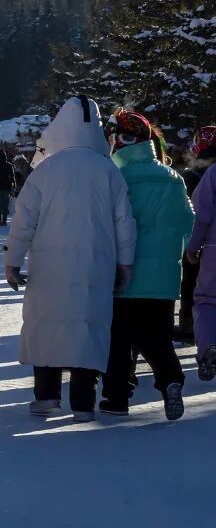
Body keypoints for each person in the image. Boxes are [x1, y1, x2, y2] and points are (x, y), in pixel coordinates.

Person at [4, 95, 136, 421]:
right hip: (96, 266)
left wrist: (12, 261)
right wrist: (125, 263)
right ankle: (83, 402)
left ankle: (46, 396)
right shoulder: (108, 171)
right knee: (88, 328)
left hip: (48, 268)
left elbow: (23, 221)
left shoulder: (45, 170)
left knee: (46, 324)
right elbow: (125, 223)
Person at [100, 109, 193, 419]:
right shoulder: (173, 178)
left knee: (119, 337)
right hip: (165, 277)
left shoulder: (117, 177)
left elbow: (110, 224)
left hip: (126, 273)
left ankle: (116, 398)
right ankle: (171, 380)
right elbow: (187, 223)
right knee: (158, 338)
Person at [176, 126, 216, 341]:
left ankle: (190, 325)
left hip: (206, 246)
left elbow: (198, 214)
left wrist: (191, 245)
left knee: (199, 291)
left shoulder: (195, 174)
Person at [186, 138, 216, 383]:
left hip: (214, 250)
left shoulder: (213, 173)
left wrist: (192, 246)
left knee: (207, 300)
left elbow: (200, 214)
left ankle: (208, 346)